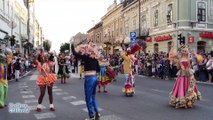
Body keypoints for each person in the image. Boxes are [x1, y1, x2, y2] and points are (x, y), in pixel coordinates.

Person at [71, 43, 101, 120]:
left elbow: (76, 54)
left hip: (89, 78)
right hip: (95, 78)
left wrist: (72, 46)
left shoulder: (86, 57)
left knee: (88, 97)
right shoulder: (95, 59)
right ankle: (97, 112)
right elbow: (98, 69)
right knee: (93, 96)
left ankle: (91, 116)